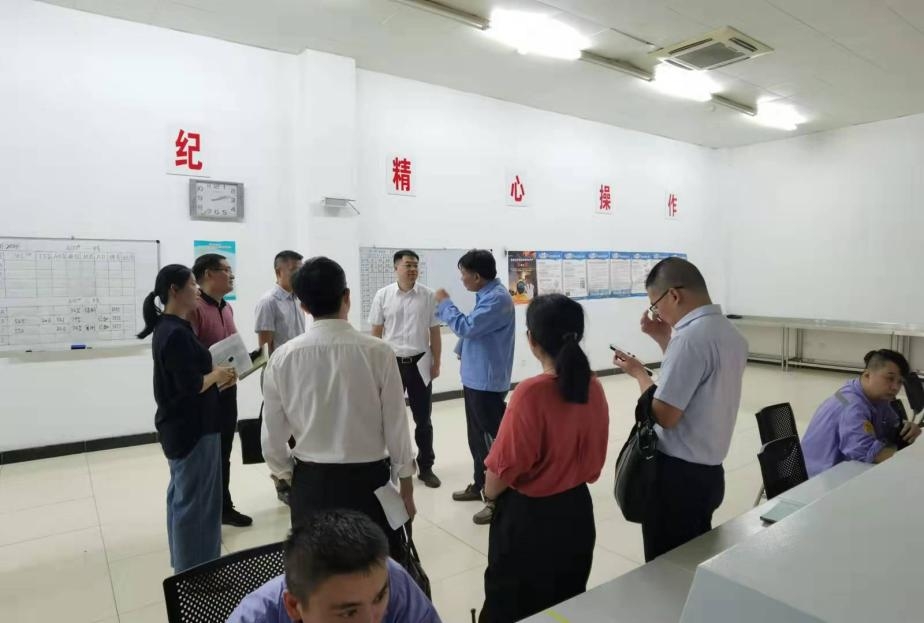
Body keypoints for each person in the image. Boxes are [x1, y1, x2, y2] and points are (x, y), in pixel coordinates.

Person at [261, 257, 417, 555]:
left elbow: (272, 436)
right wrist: (407, 490)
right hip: (371, 484)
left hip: (312, 484)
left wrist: (289, 474)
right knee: (375, 566)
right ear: (347, 296)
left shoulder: (282, 357)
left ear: (303, 306)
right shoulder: (379, 352)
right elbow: (396, 425)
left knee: (319, 569)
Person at [479, 294, 609, 623]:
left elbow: (502, 470)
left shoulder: (531, 393)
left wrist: (489, 497)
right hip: (577, 514)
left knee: (512, 607)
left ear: (532, 340)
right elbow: (595, 461)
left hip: (529, 522)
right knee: (565, 604)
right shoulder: (593, 387)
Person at [614, 257, 747, 562]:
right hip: (709, 473)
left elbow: (665, 415)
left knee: (667, 569)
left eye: (655, 304)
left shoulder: (689, 340)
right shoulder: (730, 334)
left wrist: (639, 374)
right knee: (694, 557)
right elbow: (691, 387)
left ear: (673, 295)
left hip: (676, 479)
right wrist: (664, 339)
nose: (656, 313)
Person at [137, 264, 236, 573]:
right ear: (174, 290)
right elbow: (191, 385)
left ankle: (185, 567)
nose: (197, 290)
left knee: (183, 499)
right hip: (194, 429)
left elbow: (188, 376)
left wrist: (215, 374)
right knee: (198, 505)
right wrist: (217, 375)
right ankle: (198, 574)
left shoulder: (169, 327)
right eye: (192, 284)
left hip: (183, 426)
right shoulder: (175, 333)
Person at [227, 510, 441, 623]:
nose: (371, 620)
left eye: (378, 599)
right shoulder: (254, 618)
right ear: (294, 606)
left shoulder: (390, 580)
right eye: (348, 613)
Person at [434, 249, 515, 525]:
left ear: (478, 276)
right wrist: (461, 349)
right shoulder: (486, 295)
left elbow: (468, 327)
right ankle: (481, 484)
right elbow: (476, 331)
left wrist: (445, 303)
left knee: (494, 444)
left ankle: (498, 499)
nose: (462, 279)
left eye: (464, 274)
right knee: (477, 440)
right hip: (474, 378)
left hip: (486, 383)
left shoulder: (497, 299)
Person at [370, 250, 442, 489]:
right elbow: (376, 333)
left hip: (420, 363)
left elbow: (434, 332)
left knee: (424, 419)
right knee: (388, 418)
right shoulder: (383, 295)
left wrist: (437, 362)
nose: (413, 269)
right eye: (408, 265)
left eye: (415, 265)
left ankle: (426, 467)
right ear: (396, 268)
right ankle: (390, 465)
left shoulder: (428, 295)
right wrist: (374, 366)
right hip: (391, 363)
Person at [189, 253, 252, 528]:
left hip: (228, 390)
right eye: (226, 270)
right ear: (208, 274)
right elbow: (192, 355)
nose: (232, 275)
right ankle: (206, 510)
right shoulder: (195, 309)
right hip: (206, 394)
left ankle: (224, 507)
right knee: (207, 453)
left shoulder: (226, 307)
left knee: (224, 450)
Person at [802, 349, 922, 477]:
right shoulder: (851, 405)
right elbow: (868, 451)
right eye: (890, 378)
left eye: (900, 382)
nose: (895, 387)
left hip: (846, 471)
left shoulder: (877, 398)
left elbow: (893, 425)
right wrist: (913, 462)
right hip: (820, 479)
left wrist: (908, 427)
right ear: (867, 375)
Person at [254, 250, 306, 505]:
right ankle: (281, 479)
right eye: (294, 270)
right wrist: (274, 379)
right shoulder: (268, 302)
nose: (299, 274)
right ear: (279, 271)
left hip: (300, 372)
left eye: (301, 269)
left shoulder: (298, 299)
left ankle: (297, 475)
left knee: (299, 426)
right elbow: (265, 348)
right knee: (276, 431)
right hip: (278, 374)